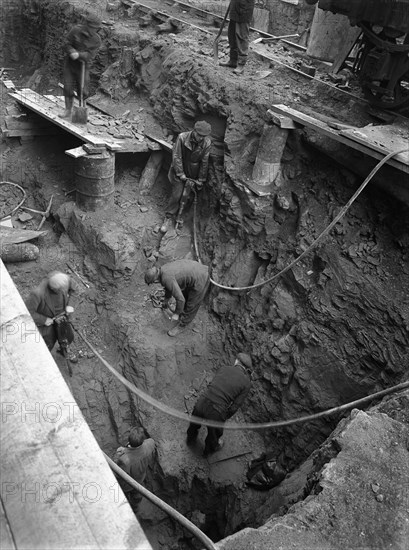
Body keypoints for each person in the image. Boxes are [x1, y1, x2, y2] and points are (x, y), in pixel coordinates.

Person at [186, 353, 252, 457]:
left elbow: (213, 384)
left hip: (202, 401)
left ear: (236, 361)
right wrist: (224, 417)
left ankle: (190, 440)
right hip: (217, 410)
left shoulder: (224, 368)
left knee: (194, 423)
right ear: (246, 369)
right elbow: (235, 406)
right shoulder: (247, 383)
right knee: (214, 434)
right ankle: (208, 451)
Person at [160, 121, 212, 234]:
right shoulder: (182, 138)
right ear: (194, 131)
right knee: (177, 195)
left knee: (188, 197)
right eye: (199, 135)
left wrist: (201, 179)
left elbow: (204, 162)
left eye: (203, 136)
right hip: (179, 170)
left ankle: (180, 217)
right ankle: (169, 217)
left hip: (193, 172)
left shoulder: (207, 143)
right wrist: (180, 173)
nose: (200, 138)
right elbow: (176, 156)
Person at [144, 259, 210, 337]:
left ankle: (183, 325)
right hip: (196, 271)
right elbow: (168, 286)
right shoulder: (163, 269)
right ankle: (182, 313)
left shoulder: (166, 278)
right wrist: (166, 299)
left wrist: (176, 314)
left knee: (191, 304)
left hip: (201, 278)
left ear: (155, 280)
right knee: (185, 294)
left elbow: (181, 299)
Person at [60, 12, 102, 119]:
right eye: (92, 28)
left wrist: (79, 54)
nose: (94, 30)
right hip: (70, 65)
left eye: (96, 28)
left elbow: (91, 55)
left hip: (83, 67)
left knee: (83, 91)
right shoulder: (76, 30)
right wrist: (71, 51)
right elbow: (66, 43)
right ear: (87, 26)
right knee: (68, 88)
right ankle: (68, 110)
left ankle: (80, 113)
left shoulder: (96, 40)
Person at [25, 271, 77, 351]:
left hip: (63, 315)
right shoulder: (37, 294)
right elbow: (28, 313)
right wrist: (44, 320)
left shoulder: (63, 279)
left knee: (68, 337)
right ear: (54, 289)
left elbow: (74, 289)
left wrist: (70, 305)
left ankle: (63, 350)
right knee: (49, 342)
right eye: (61, 290)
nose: (64, 291)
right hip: (48, 320)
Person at [113, 427, 156, 511]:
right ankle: (135, 508)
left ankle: (125, 507)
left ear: (129, 440)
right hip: (140, 477)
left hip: (127, 485)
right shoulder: (150, 444)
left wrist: (117, 456)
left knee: (125, 493)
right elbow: (150, 442)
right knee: (136, 495)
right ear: (143, 440)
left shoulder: (124, 459)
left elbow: (117, 474)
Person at [219, 0, 255, 75]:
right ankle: (233, 60)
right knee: (231, 35)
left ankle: (241, 64)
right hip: (235, 7)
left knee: (242, 36)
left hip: (245, 8)